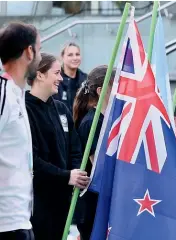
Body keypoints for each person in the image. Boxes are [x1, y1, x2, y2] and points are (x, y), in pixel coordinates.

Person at [25, 52, 89, 240]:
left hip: (63, 200)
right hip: (37, 202)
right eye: (56, 73)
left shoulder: (61, 109)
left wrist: (76, 173)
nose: (61, 78)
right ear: (40, 74)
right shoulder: (24, 110)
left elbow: (75, 148)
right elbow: (31, 159)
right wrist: (66, 176)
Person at [0, 21, 41, 240]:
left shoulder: (17, 94)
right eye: (40, 50)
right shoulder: (3, 94)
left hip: (20, 220)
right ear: (29, 51)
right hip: (6, 224)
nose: (41, 57)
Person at [73, 65, 116, 240]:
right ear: (101, 90)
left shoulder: (106, 119)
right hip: (94, 205)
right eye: (116, 86)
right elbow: (99, 167)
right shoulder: (92, 123)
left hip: (102, 202)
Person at [53, 42, 87, 112]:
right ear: (62, 57)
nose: (75, 58)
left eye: (77, 54)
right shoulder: (55, 79)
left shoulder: (86, 80)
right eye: (70, 55)